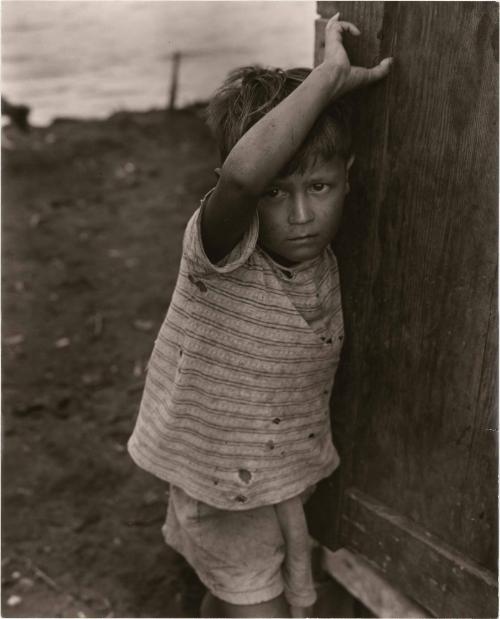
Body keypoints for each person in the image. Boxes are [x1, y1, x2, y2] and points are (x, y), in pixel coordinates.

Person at [128, 13, 392, 618]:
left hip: (276, 478)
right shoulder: (222, 249)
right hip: (220, 485)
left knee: (248, 590)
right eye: (278, 192)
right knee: (259, 604)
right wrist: (326, 80)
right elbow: (244, 179)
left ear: (348, 181)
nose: (300, 216)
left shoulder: (323, 259)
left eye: (319, 188)